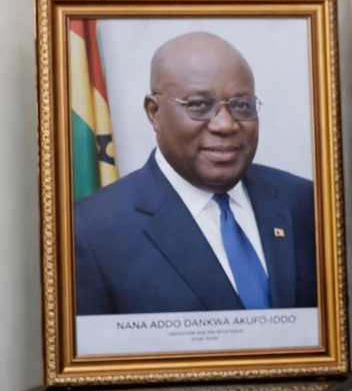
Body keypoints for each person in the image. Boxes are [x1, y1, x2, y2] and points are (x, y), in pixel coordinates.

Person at [74, 31, 317, 316]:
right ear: (154, 112)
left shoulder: (306, 202)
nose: (225, 125)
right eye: (199, 105)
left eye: (241, 105)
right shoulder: (89, 229)